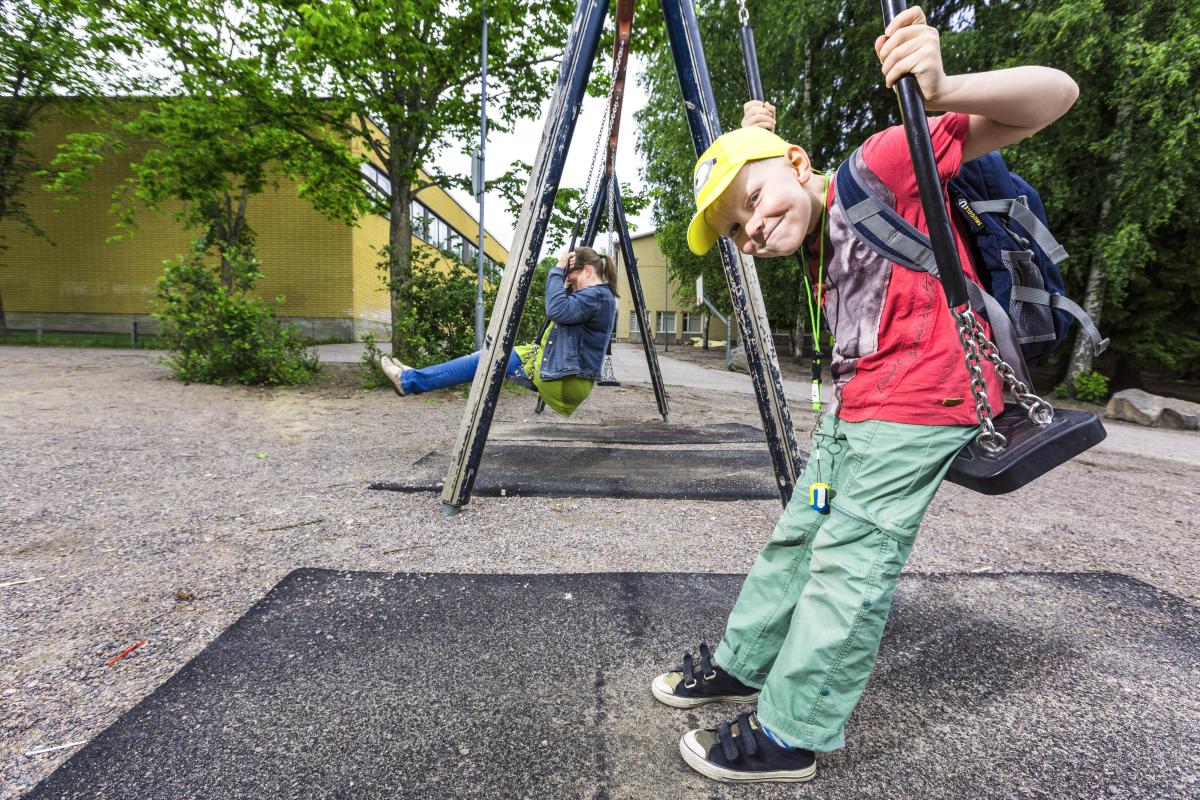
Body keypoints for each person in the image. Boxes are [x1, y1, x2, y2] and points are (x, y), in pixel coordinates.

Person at [650, 6, 1080, 783]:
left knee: (850, 559)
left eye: (751, 200)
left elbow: (1056, 94)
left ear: (796, 160)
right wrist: (755, 144)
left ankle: (792, 731)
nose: (752, 229)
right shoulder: (810, 225)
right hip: (855, 408)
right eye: (737, 230)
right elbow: (783, 194)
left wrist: (946, 86)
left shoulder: (885, 164)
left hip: (922, 400)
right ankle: (745, 661)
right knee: (799, 534)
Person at [379, 246, 618, 417]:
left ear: (587, 271)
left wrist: (557, 269)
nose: (570, 284)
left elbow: (556, 309)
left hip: (566, 380)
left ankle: (410, 381)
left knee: (483, 360)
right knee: (484, 356)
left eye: (573, 278)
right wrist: (566, 283)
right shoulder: (596, 297)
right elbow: (563, 313)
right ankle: (415, 376)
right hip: (561, 370)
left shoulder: (595, 296)